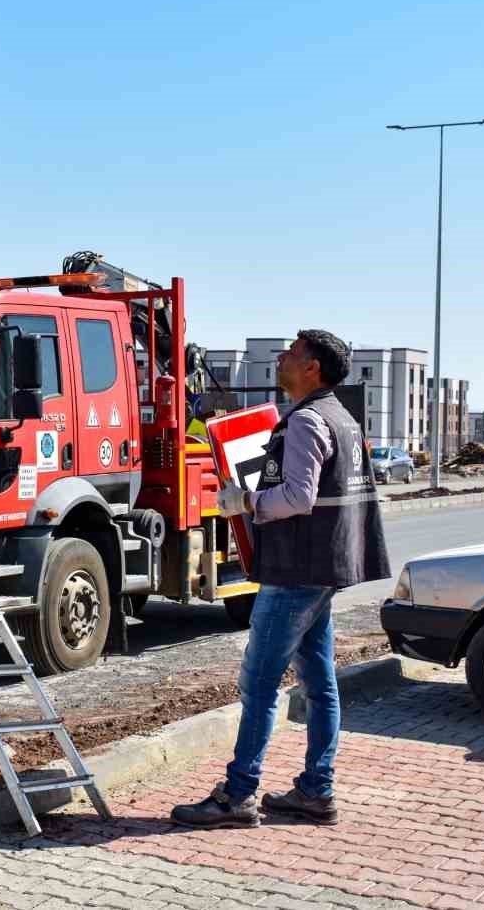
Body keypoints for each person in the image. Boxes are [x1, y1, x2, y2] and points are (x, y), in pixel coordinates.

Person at [171, 330, 390, 829]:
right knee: (320, 683)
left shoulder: (308, 422)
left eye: (291, 353)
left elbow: (297, 498)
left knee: (260, 684)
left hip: (296, 570)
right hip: (325, 568)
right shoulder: (343, 418)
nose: (281, 358)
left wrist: (243, 502)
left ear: (312, 368)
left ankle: (238, 795)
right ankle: (316, 791)